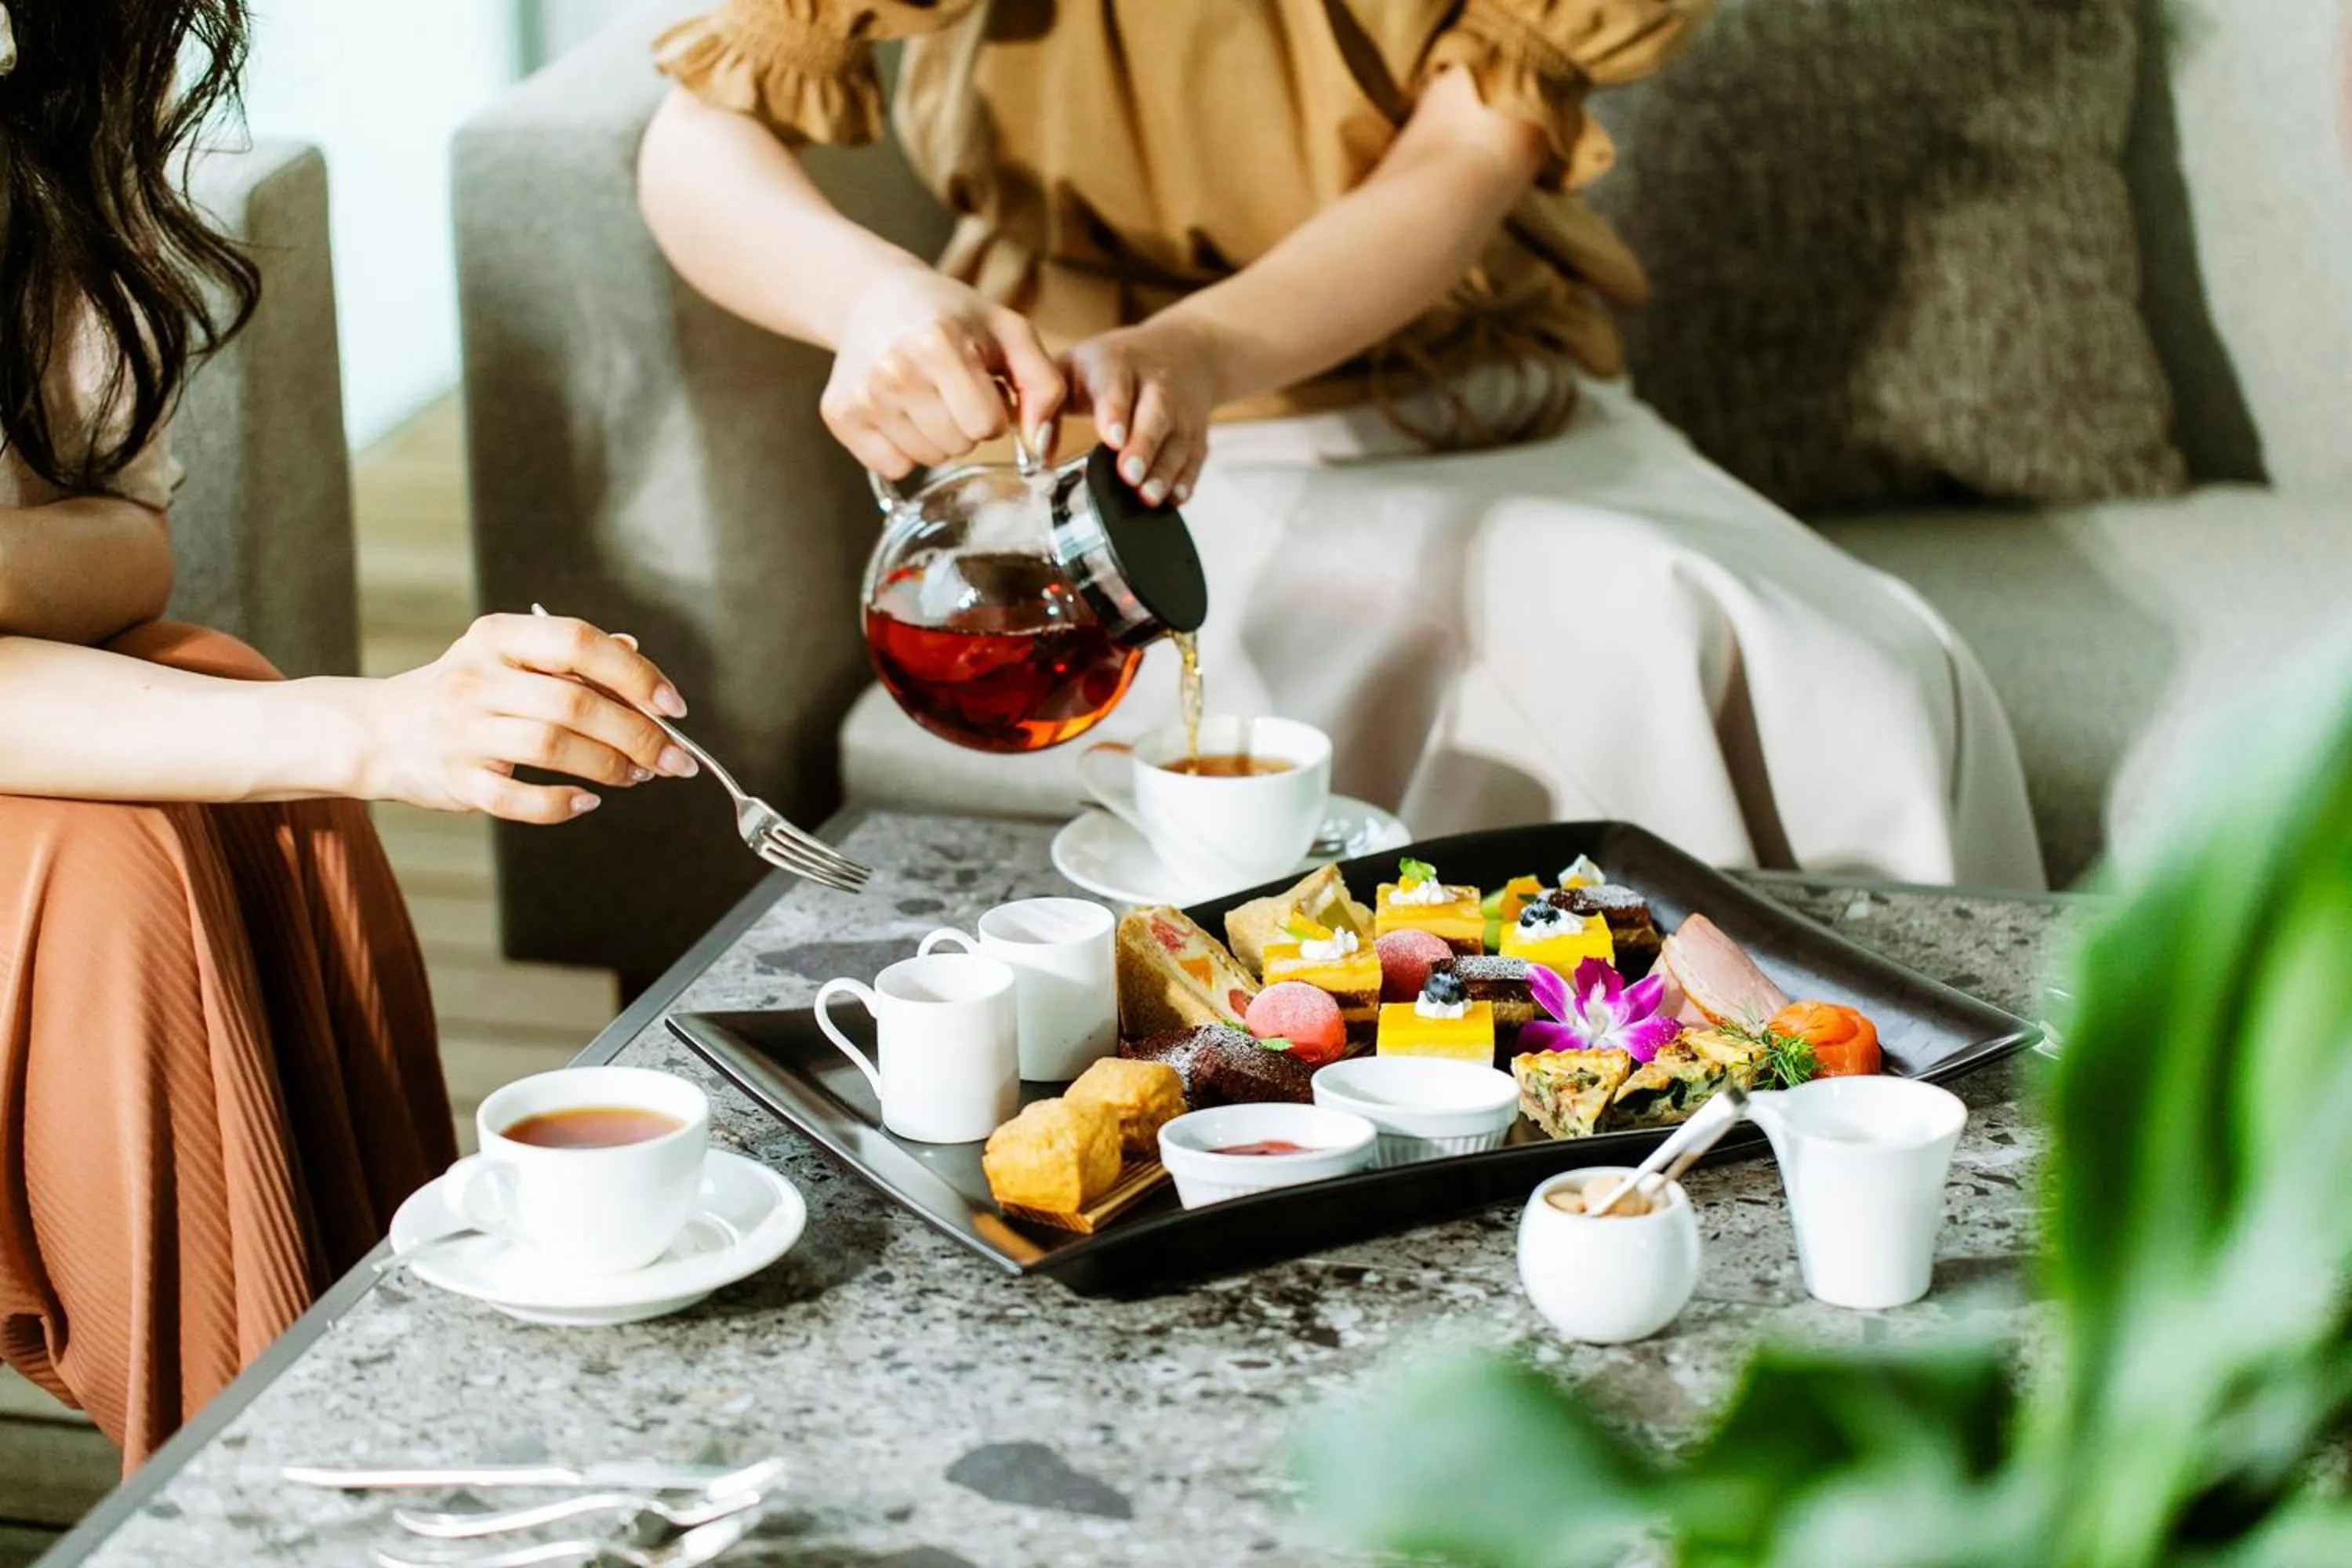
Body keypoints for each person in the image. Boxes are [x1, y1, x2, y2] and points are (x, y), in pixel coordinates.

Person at [637, 0, 2046, 890]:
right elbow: (698, 139)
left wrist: (1204, 351)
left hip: (1475, 404)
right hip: (1107, 463)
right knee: (1589, 638)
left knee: (1852, 671)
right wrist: (869, 300)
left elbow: (1463, 161)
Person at [0, 2, 698, 1468]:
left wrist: (354, 733)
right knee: (112, 864)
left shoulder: (49, 84)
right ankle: (300, 1476)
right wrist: (379, 729)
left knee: (228, 722)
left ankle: (369, 1414)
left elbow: (124, 539)